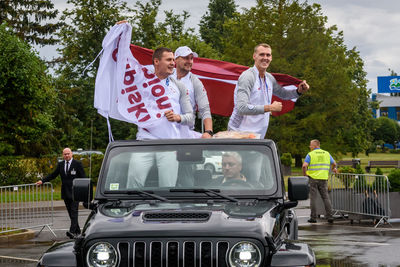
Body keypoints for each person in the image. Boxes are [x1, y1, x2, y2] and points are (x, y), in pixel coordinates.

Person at [129, 47, 195, 188]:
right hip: (144, 141)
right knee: (133, 185)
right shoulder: (142, 82)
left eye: (173, 60)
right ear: (157, 61)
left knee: (167, 187)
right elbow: (122, 66)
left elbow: (191, 117)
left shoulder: (179, 86)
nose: (173, 63)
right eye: (169, 60)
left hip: (169, 144)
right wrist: (121, 33)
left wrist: (177, 117)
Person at [228, 43, 310, 138]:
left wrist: (298, 91)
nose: (265, 58)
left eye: (268, 55)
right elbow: (241, 108)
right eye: (261, 54)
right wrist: (269, 108)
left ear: (271, 58)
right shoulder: (247, 77)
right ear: (254, 56)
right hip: (238, 132)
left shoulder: (269, 78)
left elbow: (283, 94)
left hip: (258, 135)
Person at [36, 148, 86, 238]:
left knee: (74, 212)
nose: (66, 155)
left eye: (68, 154)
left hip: (75, 193)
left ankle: (72, 231)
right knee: (71, 213)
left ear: (72, 154)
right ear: (63, 155)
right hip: (65, 193)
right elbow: (53, 175)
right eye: (65, 154)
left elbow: (83, 178)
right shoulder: (61, 164)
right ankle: (78, 232)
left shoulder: (77, 164)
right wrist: (42, 181)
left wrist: (83, 192)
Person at [172, 46, 214, 138]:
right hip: (166, 130)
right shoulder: (167, 75)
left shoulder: (195, 81)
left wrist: (209, 132)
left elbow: (205, 109)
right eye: (185, 58)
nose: (189, 61)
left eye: (191, 58)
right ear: (175, 60)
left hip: (186, 133)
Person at [302, 139, 338, 223]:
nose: (310, 146)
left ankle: (313, 218)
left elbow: (304, 166)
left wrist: (305, 174)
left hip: (313, 179)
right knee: (325, 197)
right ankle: (330, 216)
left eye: (311, 145)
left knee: (313, 198)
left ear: (315, 145)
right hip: (324, 179)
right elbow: (334, 164)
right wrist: (333, 169)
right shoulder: (327, 153)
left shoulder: (310, 154)